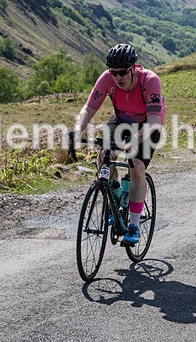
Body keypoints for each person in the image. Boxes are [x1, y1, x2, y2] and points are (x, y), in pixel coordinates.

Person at [70, 44, 165, 245]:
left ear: (133, 68)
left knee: (136, 166)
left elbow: (154, 120)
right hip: (121, 121)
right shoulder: (107, 79)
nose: (117, 78)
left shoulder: (150, 80)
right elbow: (88, 108)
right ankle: (114, 199)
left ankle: (134, 225)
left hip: (147, 125)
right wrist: (77, 130)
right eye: (114, 72)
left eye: (122, 72)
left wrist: (136, 138)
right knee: (104, 156)